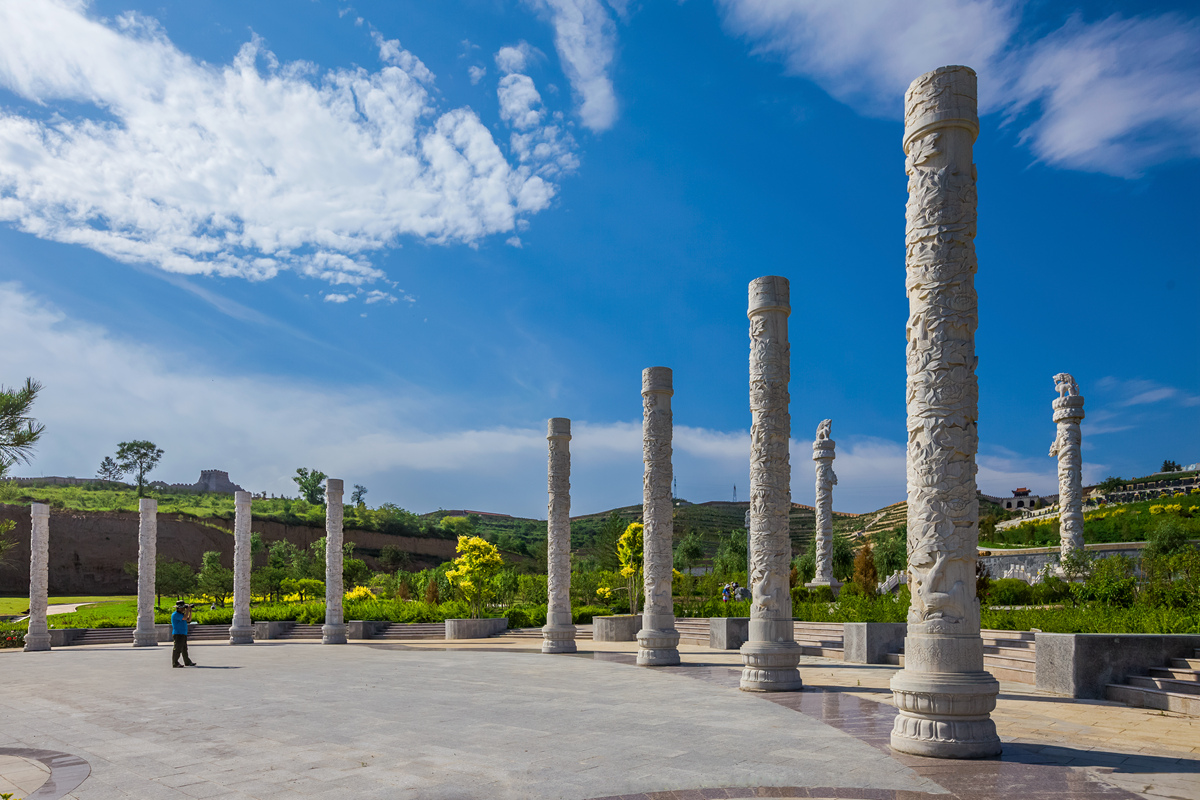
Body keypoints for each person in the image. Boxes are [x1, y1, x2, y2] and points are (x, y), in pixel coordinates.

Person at [171, 600, 196, 668]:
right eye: (182, 608)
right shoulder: (175, 614)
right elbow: (185, 618)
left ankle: (187, 661)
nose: (183, 609)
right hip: (178, 634)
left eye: (183, 608)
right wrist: (187, 610)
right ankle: (175, 663)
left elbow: (188, 620)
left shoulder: (181, 614)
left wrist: (190, 611)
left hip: (183, 633)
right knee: (177, 649)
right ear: (178, 608)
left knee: (184, 649)